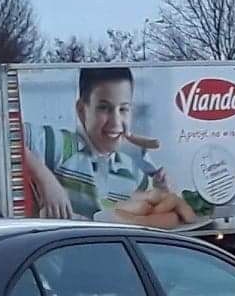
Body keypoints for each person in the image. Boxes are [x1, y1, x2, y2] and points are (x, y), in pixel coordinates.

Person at [23, 66, 198, 228]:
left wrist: (161, 192)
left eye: (123, 109)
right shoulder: (61, 145)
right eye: (104, 108)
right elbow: (9, 133)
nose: (115, 122)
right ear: (82, 110)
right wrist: (46, 179)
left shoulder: (134, 174)